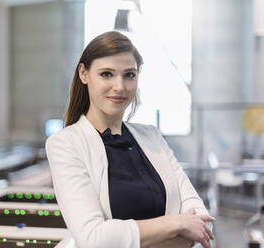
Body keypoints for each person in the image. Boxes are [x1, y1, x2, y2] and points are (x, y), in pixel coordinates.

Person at [45, 31, 215, 248]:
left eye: (129, 75)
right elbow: (93, 239)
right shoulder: (65, 144)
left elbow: (204, 224)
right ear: (84, 73)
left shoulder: (152, 137)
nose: (120, 86)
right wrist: (176, 223)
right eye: (107, 74)